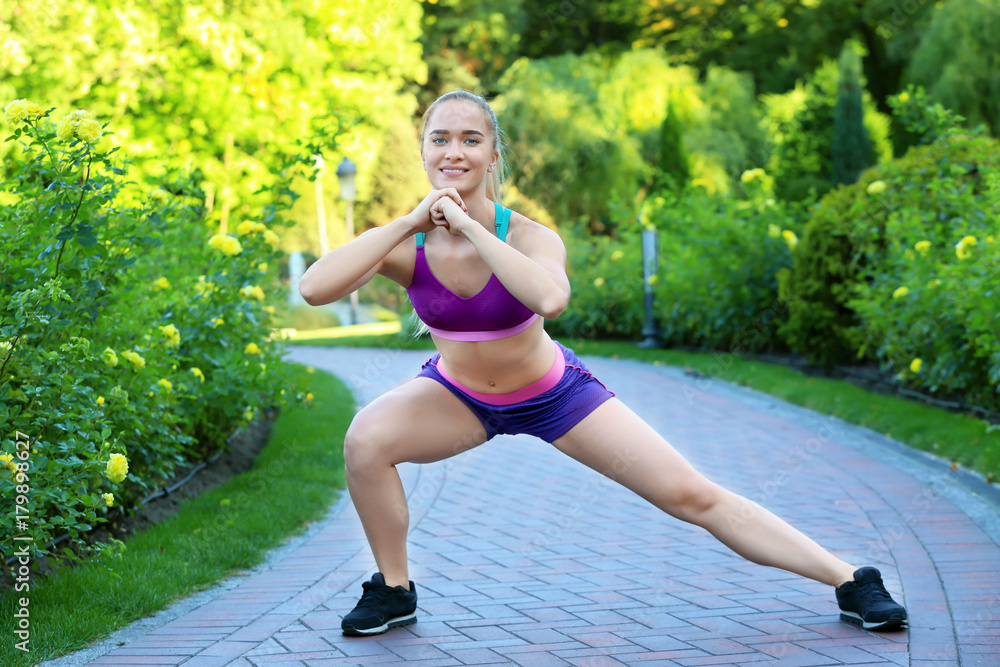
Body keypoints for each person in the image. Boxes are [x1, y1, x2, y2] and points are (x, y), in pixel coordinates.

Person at [297, 90, 908, 637]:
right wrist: (409, 221)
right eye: (440, 138)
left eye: (470, 139)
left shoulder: (532, 236)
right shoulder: (408, 245)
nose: (454, 151)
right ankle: (394, 589)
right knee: (365, 442)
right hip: (458, 398)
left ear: (492, 156)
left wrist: (469, 225)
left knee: (690, 495)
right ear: (424, 150)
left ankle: (850, 579)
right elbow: (315, 290)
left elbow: (550, 300)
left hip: (554, 394)